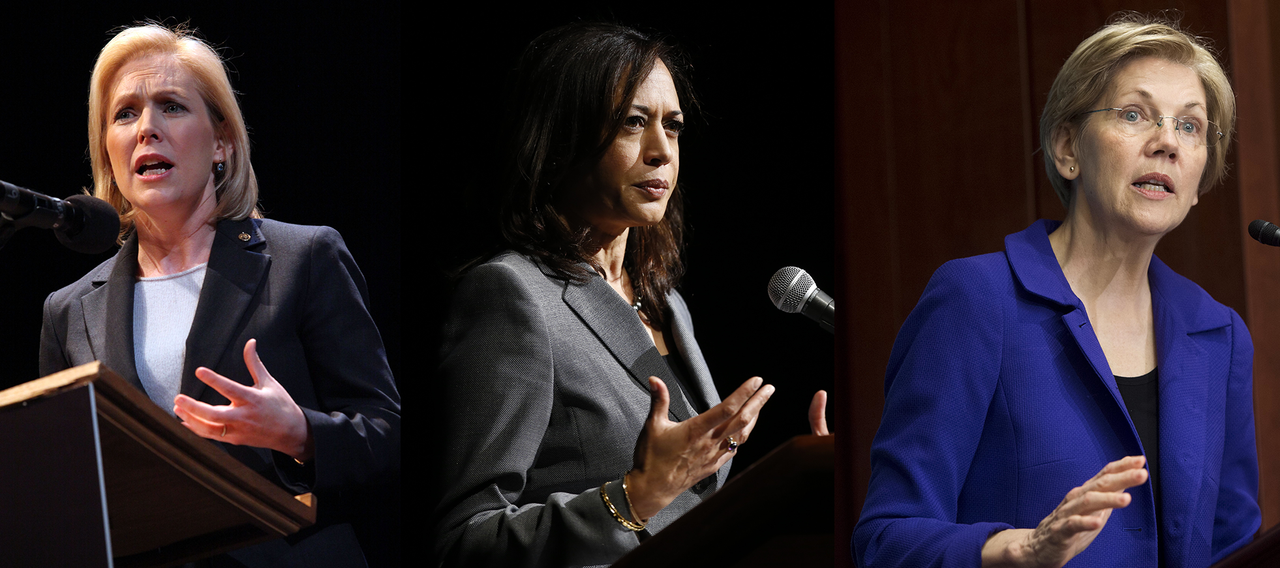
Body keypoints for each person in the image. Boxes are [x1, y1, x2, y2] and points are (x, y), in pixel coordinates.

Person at [853, 14, 1259, 568]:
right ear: (1067, 147)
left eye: (1190, 126)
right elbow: (885, 539)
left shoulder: (1219, 334)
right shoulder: (977, 300)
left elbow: (1233, 546)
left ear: (1198, 181)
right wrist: (1017, 549)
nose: (1167, 142)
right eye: (1135, 114)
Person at [435, 22, 828, 567]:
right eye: (633, 123)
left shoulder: (667, 304)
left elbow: (696, 504)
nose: (661, 151)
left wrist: (812, 476)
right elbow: (464, 545)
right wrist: (633, 498)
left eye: (673, 127)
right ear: (561, 140)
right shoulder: (511, 294)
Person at [38, 23, 400, 567]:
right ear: (107, 151)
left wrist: (302, 433)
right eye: (125, 114)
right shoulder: (68, 311)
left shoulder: (304, 259)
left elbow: (386, 433)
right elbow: (64, 487)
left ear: (222, 142)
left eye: (172, 106)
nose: (147, 130)